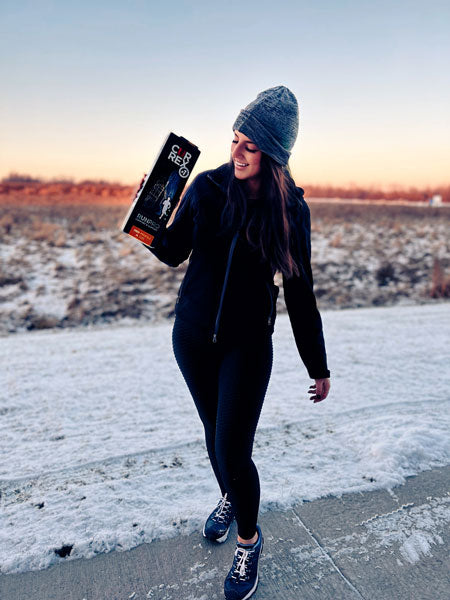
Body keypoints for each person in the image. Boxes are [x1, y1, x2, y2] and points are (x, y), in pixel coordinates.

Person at [146, 85, 331, 600]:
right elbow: (170, 253)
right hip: (192, 337)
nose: (237, 151)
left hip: (247, 345)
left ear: (272, 153)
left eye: (250, 144)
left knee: (232, 444)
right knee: (214, 434)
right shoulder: (207, 188)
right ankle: (231, 494)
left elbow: (300, 292)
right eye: (235, 140)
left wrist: (317, 363)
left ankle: (249, 540)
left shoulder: (291, 211)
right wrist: (152, 216)